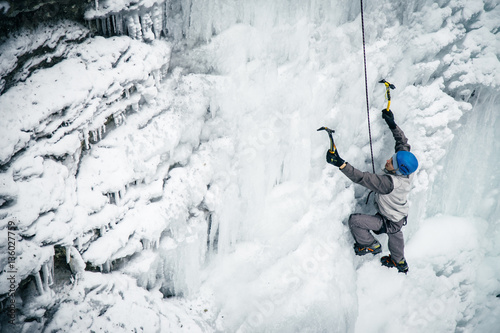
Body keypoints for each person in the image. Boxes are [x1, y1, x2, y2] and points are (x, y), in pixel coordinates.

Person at [326, 110, 418, 273]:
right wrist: (392, 124)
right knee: (396, 233)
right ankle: (399, 261)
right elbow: (402, 143)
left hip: (388, 220)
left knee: (355, 221)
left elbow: (361, 178)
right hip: (398, 216)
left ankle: (370, 245)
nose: (388, 160)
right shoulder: (406, 170)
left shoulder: (388, 183)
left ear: (397, 169)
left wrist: (340, 163)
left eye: (391, 162)